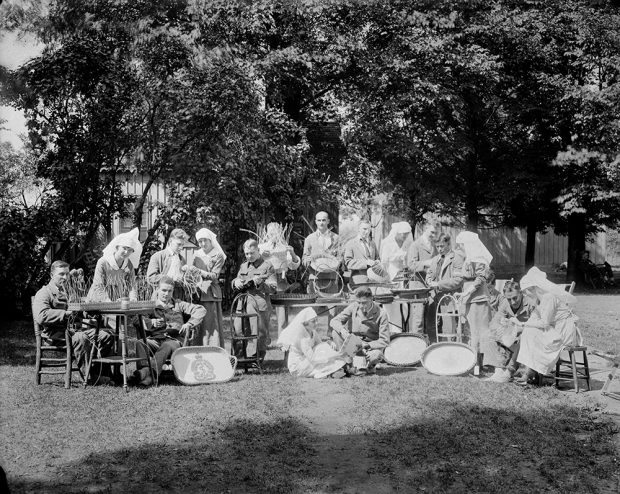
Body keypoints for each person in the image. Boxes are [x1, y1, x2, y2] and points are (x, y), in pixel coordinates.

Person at [33, 261, 114, 377]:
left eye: (67, 274)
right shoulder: (44, 293)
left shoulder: (69, 292)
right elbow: (42, 315)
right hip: (55, 334)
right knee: (81, 337)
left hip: (73, 331)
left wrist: (89, 313)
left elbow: (78, 312)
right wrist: (65, 314)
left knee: (105, 335)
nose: (65, 277)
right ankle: (88, 377)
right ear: (51, 275)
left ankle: (100, 373)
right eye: (61, 274)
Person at [515, 267, 582, 384]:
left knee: (531, 333)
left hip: (564, 331)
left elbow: (544, 323)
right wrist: (521, 325)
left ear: (533, 289)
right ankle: (529, 370)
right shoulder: (539, 300)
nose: (525, 295)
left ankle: (530, 371)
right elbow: (534, 319)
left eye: (526, 291)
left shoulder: (548, 297)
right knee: (528, 332)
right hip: (553, 329)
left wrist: (523, 324)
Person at [134, 275, 206, 385]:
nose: (166, 294)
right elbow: (136, 319)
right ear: (157, 290)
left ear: (173, 291)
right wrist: (150, 322)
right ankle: (147, 373)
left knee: (167, 345)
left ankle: (147, 373)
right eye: (163, 290)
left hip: (174, 341)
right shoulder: (150, 305)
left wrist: (189, 323)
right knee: (140, 343)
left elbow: (200, 309)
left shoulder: (178, 304)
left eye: (169, 291)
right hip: (156, 340)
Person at [455, 231, 493, 374]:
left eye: (462, 245)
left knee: (479, 333)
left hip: (478, 299)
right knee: (470, 332)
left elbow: (480, 278)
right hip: (469, 298)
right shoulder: (470, 257)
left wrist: (468, 291)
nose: (461, 248)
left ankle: (478, 366)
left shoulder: (479, 257)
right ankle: (471, 362)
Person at [232, 239, 277, 360]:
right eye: (246, 254)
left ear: (258, 250)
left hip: (259, 304)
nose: (249, 256)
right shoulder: (243, 266)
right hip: (243, 303)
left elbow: (273, 287)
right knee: (239, 330)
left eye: (252, 253)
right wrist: (235, 283)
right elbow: (236, 279)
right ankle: (239, 358)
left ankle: (258, 357)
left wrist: (259, 284)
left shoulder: (267, 266)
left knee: (259, 332)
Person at [329, 287, 390, 375]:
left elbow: (385, 340)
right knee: (335, 332)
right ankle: (348, 364)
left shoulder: (381, 313)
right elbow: (334, 321)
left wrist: (368, 345)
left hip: (369, 347)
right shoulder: (354, 306)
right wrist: (342, 330)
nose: (361, 306)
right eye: (359, 302)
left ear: (371, 299)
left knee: (376, 355)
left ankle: (370, 367)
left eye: (364, 303)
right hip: (353, 344)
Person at [485, 281, 536, 383]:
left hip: (528, 334)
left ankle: (509, 372)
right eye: (509, 299)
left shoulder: (530, 303)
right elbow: (495, 321)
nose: (512, 302)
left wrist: (518, 330)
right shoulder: (505, 303)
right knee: (491, 335)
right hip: (511, 334)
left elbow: (536, 326)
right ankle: (499, 370)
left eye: (515, 298)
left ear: (521, 293)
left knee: (520, 339)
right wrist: (499, 327)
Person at [277, 307, 347, 378]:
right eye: (313, 321)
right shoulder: (302, 337)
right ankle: (327, 372)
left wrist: (329, 342)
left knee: (323, 348)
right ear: (305, 323)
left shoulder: (312, 331)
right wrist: (334, 355)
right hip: (298, 367)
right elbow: (312, 358)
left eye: (317, 320)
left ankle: (331, 371)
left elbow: (321, 345)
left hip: (307, 361)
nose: (316, 323)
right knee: (324, 358)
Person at [259, 222, 302, 337]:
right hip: (266, 281)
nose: (273, 235)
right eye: (271, 233)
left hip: (281, 280)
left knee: (282, 312)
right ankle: (264, 340)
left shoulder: (284, 247)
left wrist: (292, 253)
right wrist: (261, 255)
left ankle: (282, 339)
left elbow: (294, 266)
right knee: (265, 311)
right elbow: (254, 264)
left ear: (280, 233)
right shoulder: (262, 247)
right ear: (267, 234)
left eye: (276, 232)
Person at [426, 233, 464, 342]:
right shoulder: (435, 259)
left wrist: (438, 284)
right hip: (436, 300)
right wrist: (429, 280)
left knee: (450, 331)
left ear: (449, 244)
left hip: (450, 301)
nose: (439, 249)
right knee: (437, 331)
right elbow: (430, 273)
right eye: (437, 246)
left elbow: (458, 280)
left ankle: (451, 353)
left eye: (442, 246)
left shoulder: (456, 258)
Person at [191, 228, 226, 347]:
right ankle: (198, 349)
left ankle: (212, 349)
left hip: (210, 293)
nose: (203, 244)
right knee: (198, 323)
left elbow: (215, 276)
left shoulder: (218, 255)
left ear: (210, 240)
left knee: (210, 324)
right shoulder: (196, 254)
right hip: (197, 292)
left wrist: (199, 271)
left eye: (205, 240)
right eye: (200, 241)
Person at [87, 228, 142, 302]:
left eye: (130, 250)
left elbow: (132, 285)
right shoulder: (103, 262)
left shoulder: (129, 264)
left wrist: (133, 298)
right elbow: (98, 284)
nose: (126, 252)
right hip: (98, 299)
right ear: (117, 247)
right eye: (124, 248)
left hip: (117, 299)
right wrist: (106, 300)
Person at [379, 221, 412, 333]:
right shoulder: (388, 244)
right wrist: (385, 279)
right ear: (397, 232)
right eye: (402, 233)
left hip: (403, 276)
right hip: (390, 274)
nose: (404, 236)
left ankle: (402, 330)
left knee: (404, 304)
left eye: (406, 234)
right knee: (390, 304)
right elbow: (383, 263)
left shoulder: (407, 244)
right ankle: (390, 331)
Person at [407, 222, 438, 334]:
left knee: (429, 318)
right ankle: (417, 345)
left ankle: (427, 345)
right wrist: (426, 263)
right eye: (432, 232)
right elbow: (411, 265)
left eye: (435, 233)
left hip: (430, 286)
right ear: (425, 229)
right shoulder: (415, 245)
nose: (434, 235)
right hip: (418, 286)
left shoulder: (434, 245)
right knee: (418, 319)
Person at [302, 211, 340, 294]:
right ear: (315, 222)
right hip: (315, 278)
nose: (321, 223)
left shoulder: (336, 238)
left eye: (323, 220)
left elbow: (340, 257)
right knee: (315, 306)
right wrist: (307, 261)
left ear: (328, 221)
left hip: (331, 278)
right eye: (319, 220)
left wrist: (337, 261)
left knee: (332, 304)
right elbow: (304, 258)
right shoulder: (309, 238)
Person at [147, 228, 189, 300]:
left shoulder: (182, 260)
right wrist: (170, 279)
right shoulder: (158, 256)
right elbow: (151, 278)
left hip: (179, 298)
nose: (181, 248)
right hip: (162, 297)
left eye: (182, 245)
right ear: (170, 241)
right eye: (178, 244)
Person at [343, 220, 379, 287]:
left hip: (373, 282)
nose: (367, 232)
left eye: (369, 229)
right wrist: (366, 263)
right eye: (364, 229)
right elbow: (348, 263)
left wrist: (377, 263)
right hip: (358, 282)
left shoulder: (372, 243)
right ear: (358, 229)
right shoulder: (351, 243)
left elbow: (377, 258)